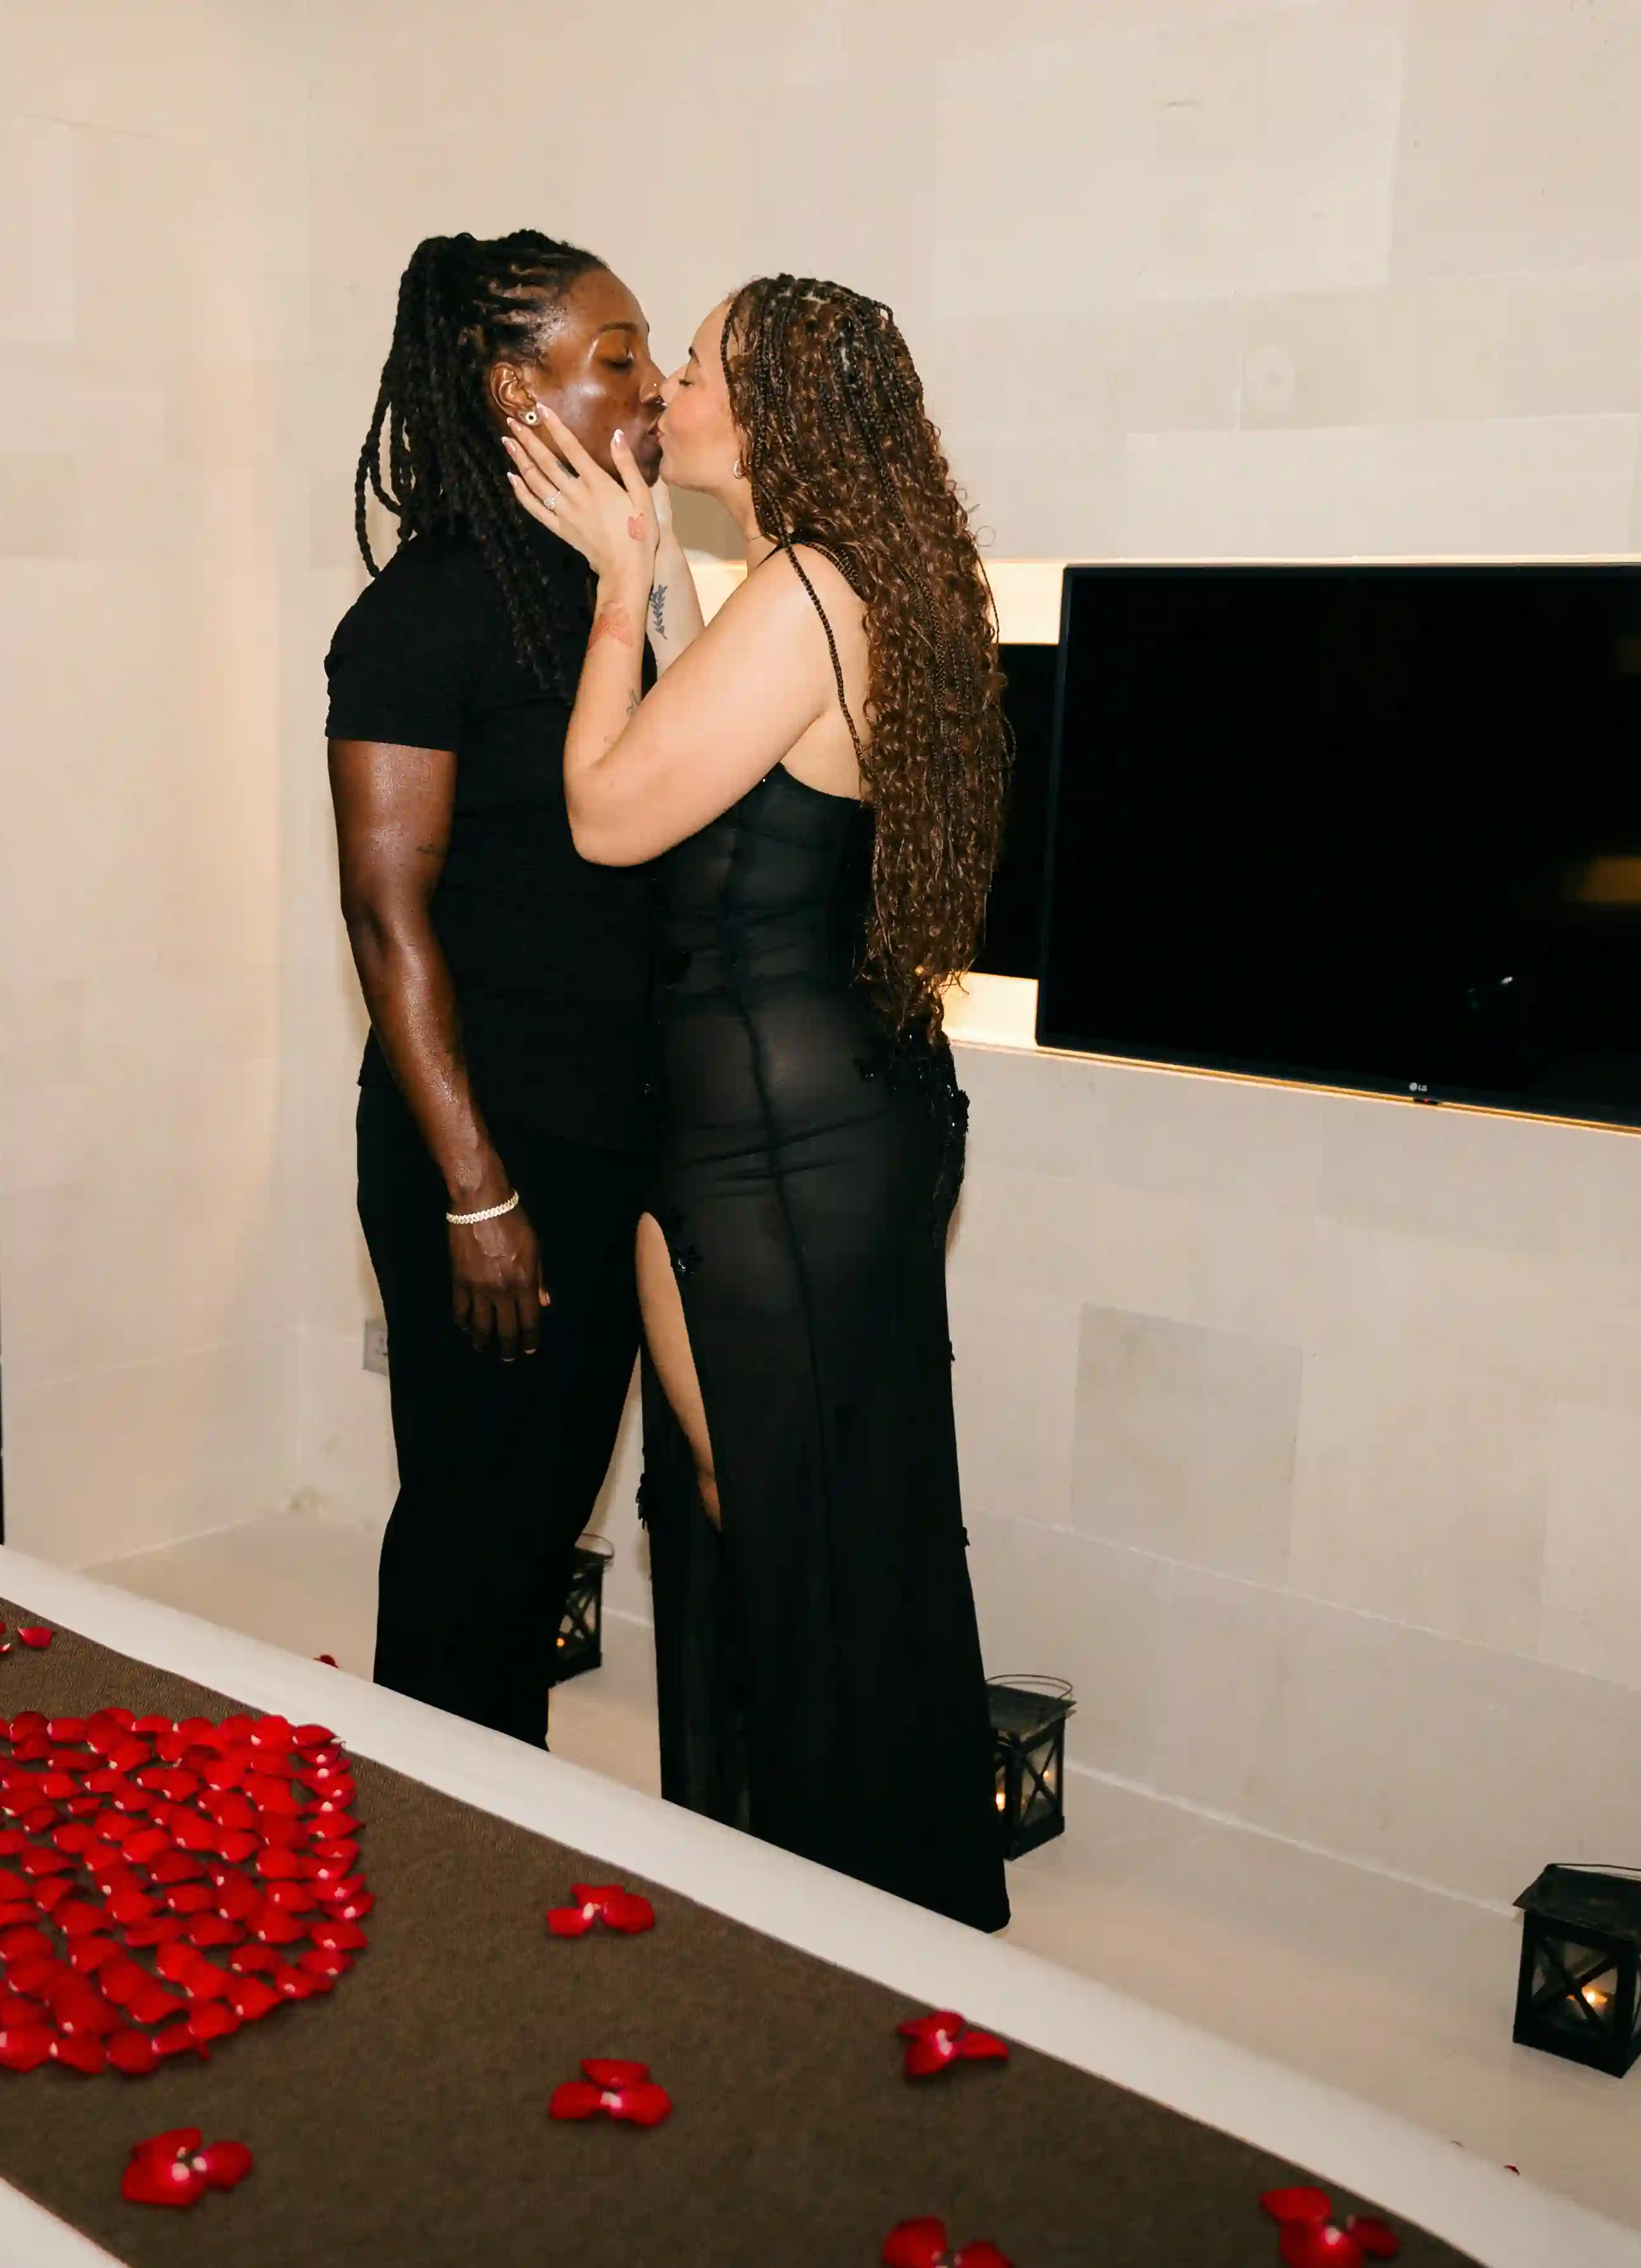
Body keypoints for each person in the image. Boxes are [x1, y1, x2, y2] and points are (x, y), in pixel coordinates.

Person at [505, 275, 1015, 1929]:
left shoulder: (802, 588)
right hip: (837, 1113)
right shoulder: (884, 573)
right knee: (807, 1523)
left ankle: (830, 1920)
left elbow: (604, 815)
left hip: (780, 1147)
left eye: (703, 369)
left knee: (784, 1540)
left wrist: (619, 582)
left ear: (781, 406)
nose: (669, 396)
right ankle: (827, 1894)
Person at [325, 231, 705, 1746]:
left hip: (607, 1135)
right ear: (508, 388)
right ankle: (425, 1854)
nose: (652, 388)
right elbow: (385, 906)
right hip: (486, 1149)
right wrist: (475, 1191)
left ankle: (501, 1836)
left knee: (542, 1526)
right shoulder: (424, 612)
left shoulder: (593, 590)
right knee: (478, 1538)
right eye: (615, 358)